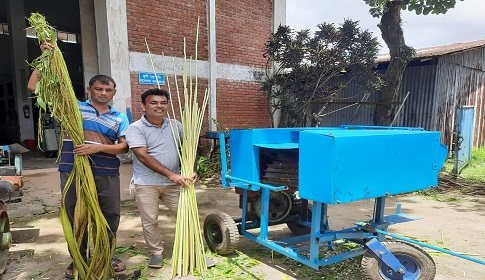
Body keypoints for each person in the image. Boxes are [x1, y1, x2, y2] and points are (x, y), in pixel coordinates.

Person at [27, 42, 129, 279]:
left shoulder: (119, 117)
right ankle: (78, 258)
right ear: (89, 90)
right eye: (98, 89)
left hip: (106, 172)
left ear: (113, 92)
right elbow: (33, 86)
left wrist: (98, 148)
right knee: (76, 214)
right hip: (72, 169)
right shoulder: (73, 108)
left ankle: (107, 255)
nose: (103, 93)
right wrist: (45, 58)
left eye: (108, 90)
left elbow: (123, 147)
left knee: (110, 214)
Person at [125, 88, 215, 269]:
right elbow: (143, 156)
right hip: (147, 183)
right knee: (150, 220)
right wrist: (171, 174)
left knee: (188, 216)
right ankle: (156, 253)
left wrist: (192, 168)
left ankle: (195, 252)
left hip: (176, 182)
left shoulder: (176, 125)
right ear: (143, 106)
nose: (159, 106)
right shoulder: (135, 128)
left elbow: (189, 148)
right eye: (153, 102)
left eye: (163, 103)